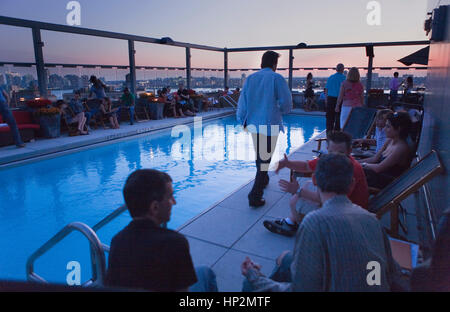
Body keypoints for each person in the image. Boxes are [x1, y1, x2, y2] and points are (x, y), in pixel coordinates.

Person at [241, 153, 405, 292]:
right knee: (284, 258)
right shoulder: (372, 220)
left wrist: (253, 275)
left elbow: (301, 289)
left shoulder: (315, 222)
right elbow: (389, 273)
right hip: (363, 281)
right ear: (352, 184)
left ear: (314, 180)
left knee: (249, 283)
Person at [105, 169, 218, 292]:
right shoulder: (174, 243)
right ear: (155, 207)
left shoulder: (117, 241)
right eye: (170, 197)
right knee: (206, 273)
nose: (174, 202)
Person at [263, 131, 369, 237]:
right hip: (342, 204)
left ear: (349, 151)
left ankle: (304, 230)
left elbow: (331, 200)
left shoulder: (350, 170)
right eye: (332, 152)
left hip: (349, 215)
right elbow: (306, 166)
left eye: (340, 153)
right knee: (308, 185)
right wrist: (288, 163)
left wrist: (298, 191)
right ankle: (291, 222)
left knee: (295, 202)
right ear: (327, 150)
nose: (336, 156)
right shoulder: (330, 160)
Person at [236, 51, 292, 207]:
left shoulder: (250, 79)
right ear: (274, 64)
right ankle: (255, 195)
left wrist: (241, 119)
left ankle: (264, 178)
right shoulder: (276, 78)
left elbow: (243, 102)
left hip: (253, 123)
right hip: (269, 123)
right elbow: (286, 102)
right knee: (264, 159)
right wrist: (282, 110)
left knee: (260, 155)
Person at [360, 111, 412, 189]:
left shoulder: (401, 148)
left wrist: (361, 164)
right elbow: (374, 159)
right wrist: (352, 161)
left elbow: (379, 168)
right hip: (375, 176)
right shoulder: (390, 140)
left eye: (388, 126)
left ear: (399, 129)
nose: (384, 129)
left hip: (386, 184)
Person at [324, 63, 346, 134]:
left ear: (336, 69)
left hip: (330, 99)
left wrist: (326, 99)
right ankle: (336, 134)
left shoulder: (331, 77)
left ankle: (329, 134)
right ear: (343, 70)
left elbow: (326, 89)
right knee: (338, 118)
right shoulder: (344, 78)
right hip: (340, 100)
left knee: (330, 118)